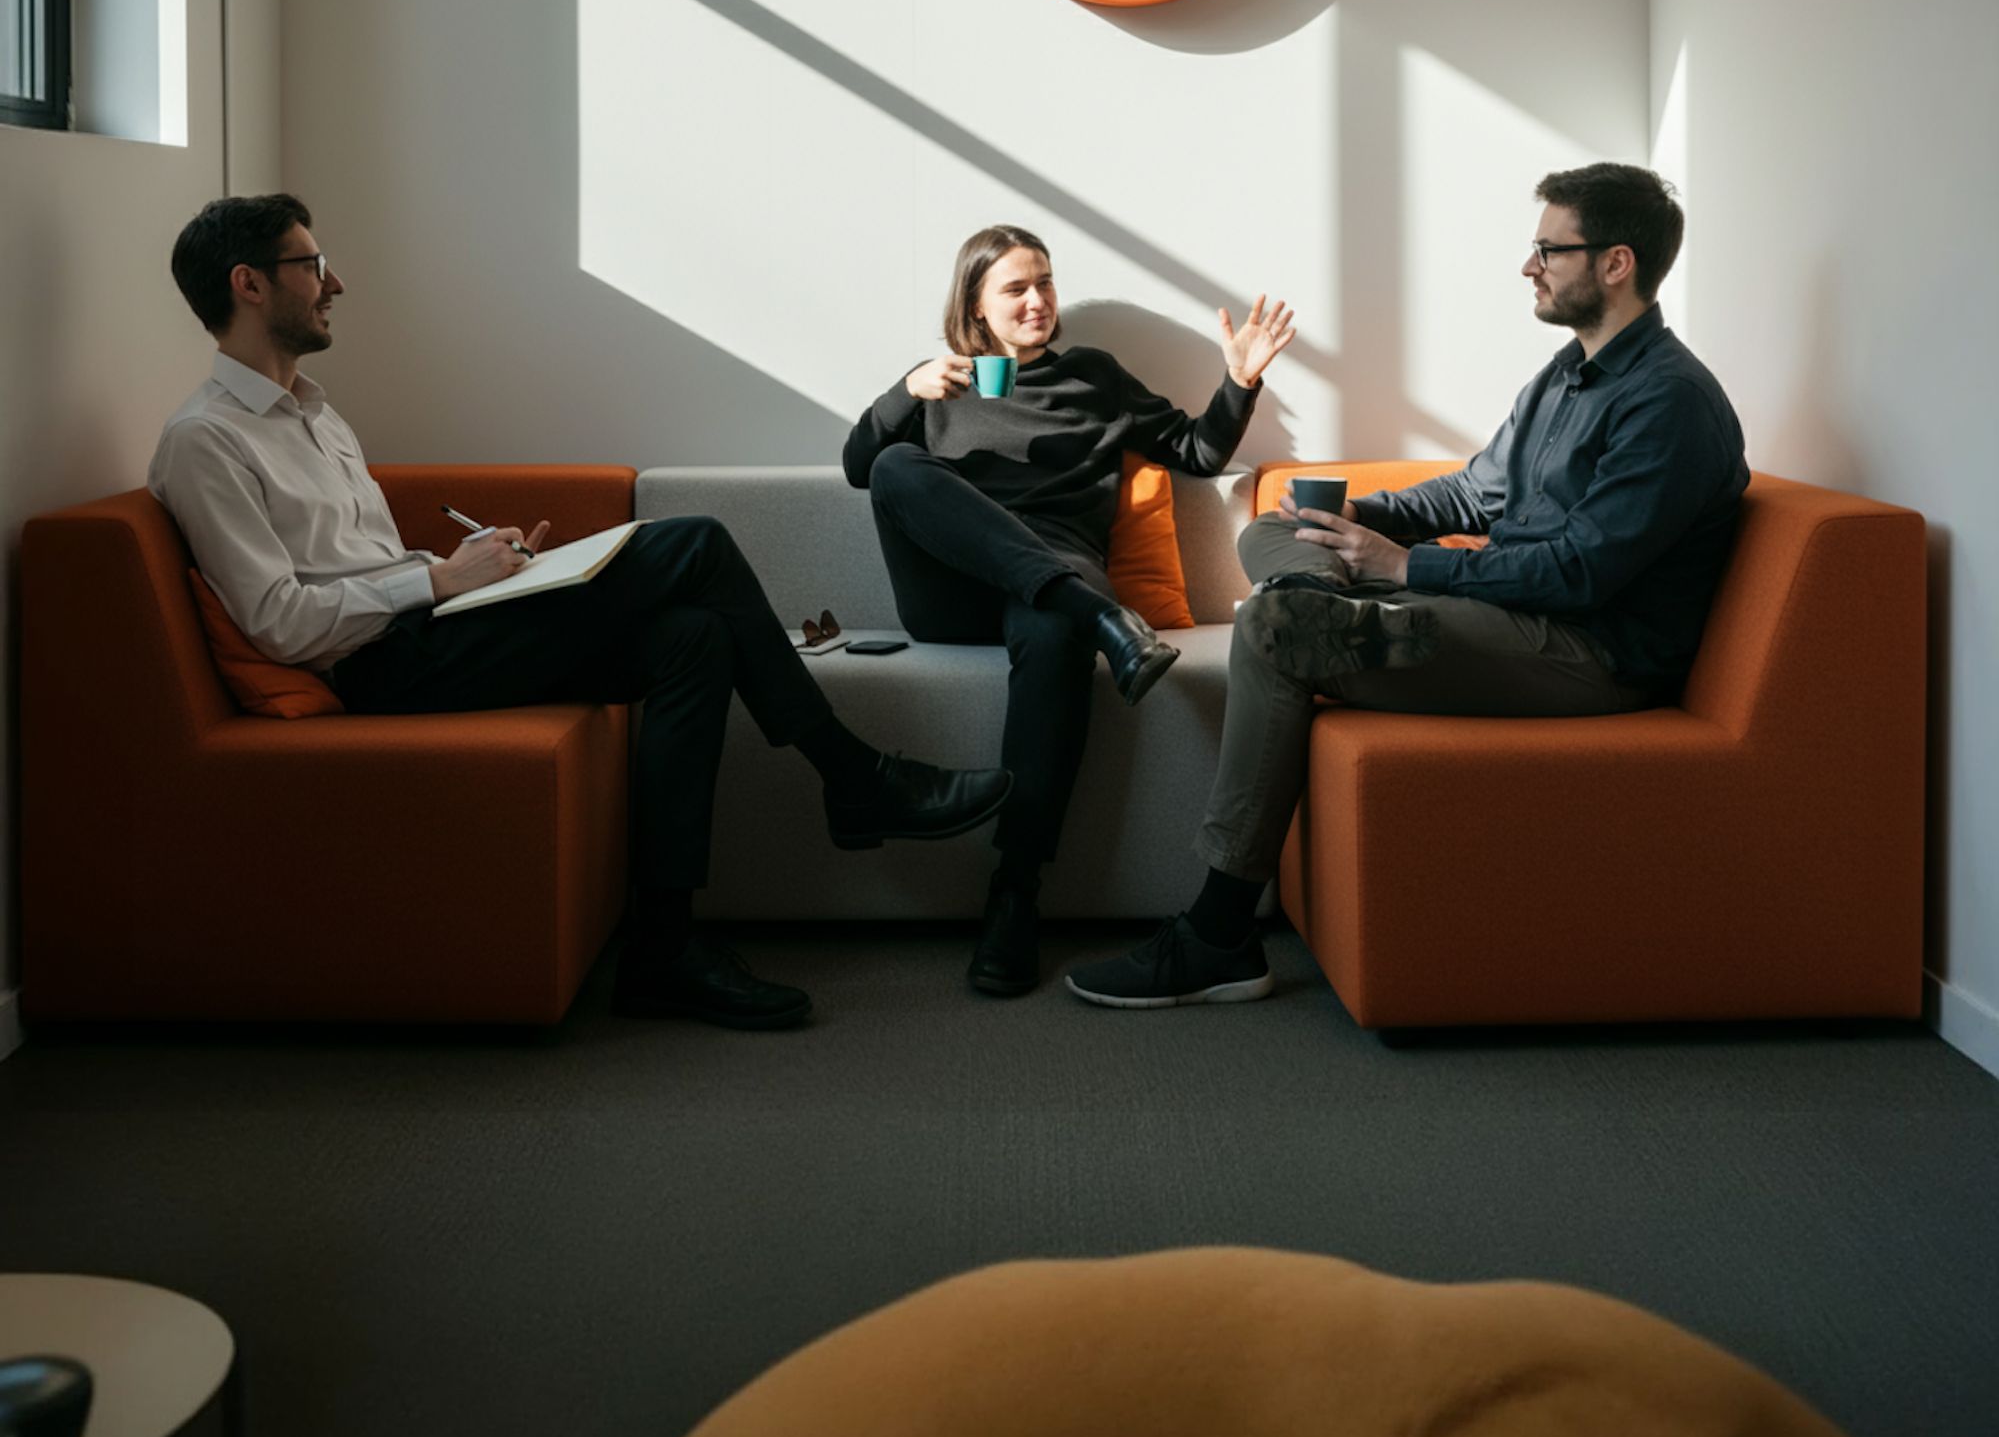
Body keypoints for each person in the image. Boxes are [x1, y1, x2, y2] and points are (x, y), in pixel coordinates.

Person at [149, 196, 1011, 1033]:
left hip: (426, 629)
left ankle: (663, 950)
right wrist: (439, 583)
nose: (334, 283)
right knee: (698, 543)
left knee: (694, 638)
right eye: (312, 264)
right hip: (375, 667)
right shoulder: (206, 441)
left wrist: (472, 568)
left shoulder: (317, 412)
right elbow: (279, 623)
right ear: (249, 284)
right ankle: (855, 779)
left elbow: (360, 562)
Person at [1067, 163, 1748, 1012]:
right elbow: (1471, 493)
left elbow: (1580, 572)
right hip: (1502, 615)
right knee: (1271, 528)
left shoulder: (1669, 402)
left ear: (1615, 263)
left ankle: (1216, 935)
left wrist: (1399, 566)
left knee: (1276, 630)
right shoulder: (1565, 375)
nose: (1528, 266)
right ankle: (1314, 598)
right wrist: (1357, 516)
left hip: (1583, 655)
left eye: (1548, 250)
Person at [844, 224, 1297, 998]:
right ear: (975, 305)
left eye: (1045, 282)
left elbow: (1195, 453)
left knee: (1052, 628)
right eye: (1015, 287)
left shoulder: (1093, 376)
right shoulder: (938, 384)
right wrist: (904, 393)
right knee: (894, 464)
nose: (1037, 300)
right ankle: (1100, 620)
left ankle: (1014, 891)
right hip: (954, 588)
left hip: (1056, 574)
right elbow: (861, 470)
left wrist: (1238, 383)